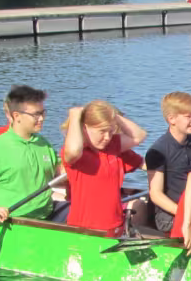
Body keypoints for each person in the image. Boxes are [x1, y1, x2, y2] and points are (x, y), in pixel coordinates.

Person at [0, 85, 58, 222]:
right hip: (13, 220)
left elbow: (59, 172)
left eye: (43, 113)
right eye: (36, 114)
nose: (41, 119)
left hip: (46, 217)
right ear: (17, 116)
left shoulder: (44, 144)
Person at [59, 100, 148, 236]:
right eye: (102, 132)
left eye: (110, 131)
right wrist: (75, 116)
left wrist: (112, 115)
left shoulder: (112, 147)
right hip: (86, 228)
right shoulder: (79, 154)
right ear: (84, 128)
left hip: (115, 225)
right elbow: (73, 150)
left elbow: (139, 136)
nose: (107, 137)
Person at [145, 91, 191, 234]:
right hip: (168, 216)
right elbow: (156, 195)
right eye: (188, 116)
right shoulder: (158, 151)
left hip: (190, 208)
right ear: (172, 119)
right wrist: (184, 214)